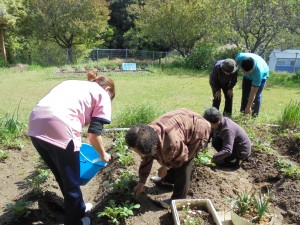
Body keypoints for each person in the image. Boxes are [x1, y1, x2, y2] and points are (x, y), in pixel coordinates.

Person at [28, 72, 115, 225]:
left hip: (35, 124)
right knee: (72, 182)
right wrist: (103, 154)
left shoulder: (71, 83)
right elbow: (94, 135)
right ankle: (75, 222)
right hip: (60, 127)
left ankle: (79, 207)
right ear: (107, 89)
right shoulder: (103, 94)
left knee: (62, 175)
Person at [125, 108, 211, 209]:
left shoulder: (171, 144)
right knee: (168, 159)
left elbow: (183, 156)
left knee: (184, 165)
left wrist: (166, 167)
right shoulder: (145, 135)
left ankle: (178, 200)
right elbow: (147, 157)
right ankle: (168, 181)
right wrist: (142, 181)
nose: (139, 155)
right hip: (181, 124)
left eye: (139, 153)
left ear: (154, 147)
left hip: (197, 130)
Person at [235, 52, 269, 117]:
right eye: (243, 71)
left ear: (252, 69)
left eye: (247, 72)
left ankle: (254, 115)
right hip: (248, 77)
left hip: (263, 75)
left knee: (257, 96)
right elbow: (233, 65)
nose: (245, 73)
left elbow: (253, 93)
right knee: (245, 94)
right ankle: (243, 113)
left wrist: (249, 106)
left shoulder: (258, 73)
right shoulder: (239, 58)